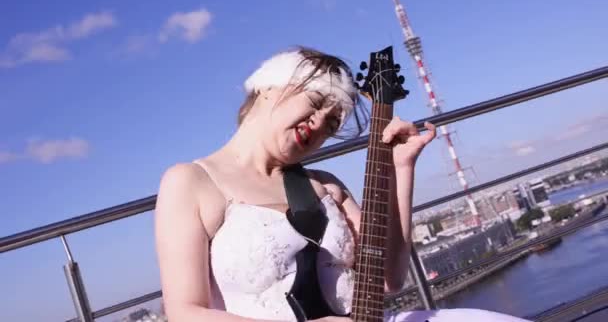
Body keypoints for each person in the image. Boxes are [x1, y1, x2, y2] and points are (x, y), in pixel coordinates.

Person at [154, 46, 530, 322]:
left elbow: (389, 278)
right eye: (315, 103)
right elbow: (186, 312)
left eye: (332, 124)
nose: (319, 124)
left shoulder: (325, 187)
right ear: (267, 87)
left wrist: (401, 168)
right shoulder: (191, 182)